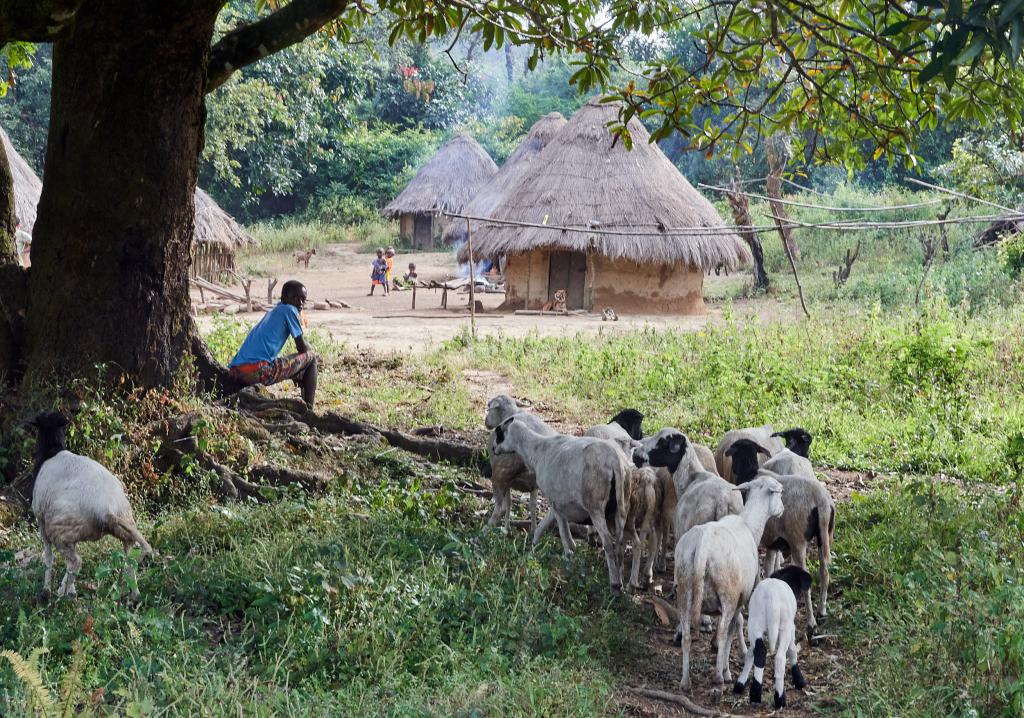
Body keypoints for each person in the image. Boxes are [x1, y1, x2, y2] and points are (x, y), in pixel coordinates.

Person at [228, 280, 318, 408]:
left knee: (297, 362)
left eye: (303, 299)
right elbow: (302, 347)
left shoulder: (275, 310)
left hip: (237, 371)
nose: (300, 303)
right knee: (311, 357)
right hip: (258, 371)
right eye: (295, 297)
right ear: (284, 297)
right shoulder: (289, 310)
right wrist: (309, 350)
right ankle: (309, 409)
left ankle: (302, 388)